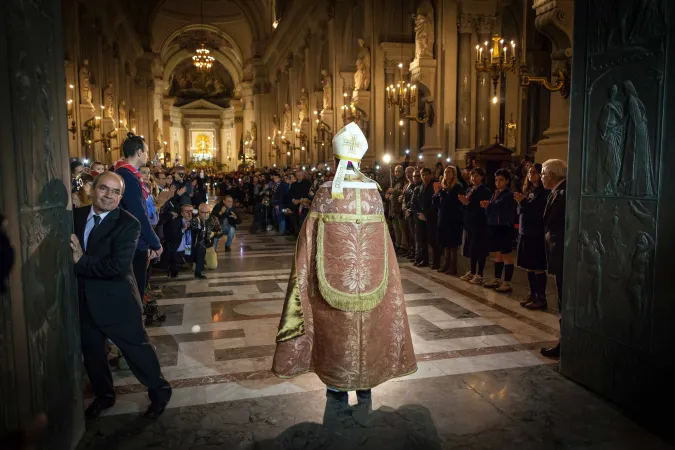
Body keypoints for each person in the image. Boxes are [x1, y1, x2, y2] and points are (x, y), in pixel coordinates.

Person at [272, 122, 417, 407]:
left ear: (335, 158)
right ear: (359, 159)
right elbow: (384, 242)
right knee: (367, 334)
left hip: (333, 285)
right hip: (373, 283)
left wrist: (305, 276)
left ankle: (337, 390)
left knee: (338, 335)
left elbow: (308, 240)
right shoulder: (374, 191)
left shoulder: (327, 192)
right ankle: (365, 390)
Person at [70, 172, 171, 419]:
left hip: (118, 303)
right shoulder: (75, 217)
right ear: (93, 189)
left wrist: (81, 261)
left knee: (138, 353)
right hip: (85, 302)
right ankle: (105, 397)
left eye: (116, 192)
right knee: (94, 357)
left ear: (121, 196)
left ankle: (160, 393)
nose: (109, 196)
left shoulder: (129, 224)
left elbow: (116, 268)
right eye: (104, 189)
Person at [115, 133, 165, 326]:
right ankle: (133, 331)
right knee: (135, 291)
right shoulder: (128, 177)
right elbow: (139, 215)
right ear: (138, 152)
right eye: (146, 151)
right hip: (134, 243)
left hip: (132, 239)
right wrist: (154, 242)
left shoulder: (122, 173)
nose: (148, 155)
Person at [540, 159, 567, 358]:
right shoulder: (556, 192)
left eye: (542, 173)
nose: (541, 177)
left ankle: (565, 343)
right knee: (561, 297)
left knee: (564, 299)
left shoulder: (563, 194)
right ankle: (564, 341)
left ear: (551, 175)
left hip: (564, 253)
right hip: (557, 252)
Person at [515, 164, 550, 310]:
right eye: (530, 173)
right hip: (525, 231)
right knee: (529, 265)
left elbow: (535, 211)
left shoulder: (543, 192)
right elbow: (521, 211)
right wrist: (521, 202)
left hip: (536, 232)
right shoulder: (529, 190)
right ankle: (532, 294)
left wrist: (522, 201)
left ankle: (541, 298)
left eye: (535, 172)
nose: (531, 175)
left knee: (537, 266)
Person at [481, 169, 517, 292]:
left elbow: (500, 207)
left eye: (501, 180)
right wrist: (487, 206)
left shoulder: (509, 194)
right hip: (494, 225)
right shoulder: (495, 193)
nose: (498, 182)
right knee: (497, 253)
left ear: (507, 181)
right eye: (496, 180)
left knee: (506, 253)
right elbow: (491, 208)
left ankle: (507, 282)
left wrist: (489, 205)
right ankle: (497, 278)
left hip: (504, 226)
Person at [459, 167, 492, 284]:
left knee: (480, 249)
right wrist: (464, 204)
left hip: (480, 223)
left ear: (482, 177)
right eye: (472, 176)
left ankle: (480, 274)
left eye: (477, 176)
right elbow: (465, 206)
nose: (474, 178)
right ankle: (472, 271)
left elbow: (483, 208)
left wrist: (468, 203)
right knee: (471, 248)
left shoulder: (485, 191)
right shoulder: (469, 189)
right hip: (469, 222)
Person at [432, 166, 464, 275]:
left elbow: (452, 202)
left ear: (454, 174)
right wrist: (436, 193)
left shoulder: (457, 187)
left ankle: (453, 267)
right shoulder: (443, 187)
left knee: (453, 245)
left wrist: (442, 192)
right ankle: (445, 265)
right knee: (445, 244)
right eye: (445, 172)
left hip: (453, 219)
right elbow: (437, 203)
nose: (446, 174)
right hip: (443, 218)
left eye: (449, 172)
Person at [166, 203, 207, 278]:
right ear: (181, 213)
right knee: (174, 273)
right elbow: (172, 237)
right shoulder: (175, 222)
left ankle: (198, 272)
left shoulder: (195, 221)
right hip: (179, 250)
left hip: (190, 250)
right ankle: (173, 269)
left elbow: (200, 238)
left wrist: (198, 227)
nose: (189, 213)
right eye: (187, 211)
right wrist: (183, 229)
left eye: (191, 211)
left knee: (201, 247)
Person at [403, 168, 420, 261]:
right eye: (406, 173)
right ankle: (411, 250)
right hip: (407, 210)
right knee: (409, 233)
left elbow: (412, 200)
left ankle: (415, 253)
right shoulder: (407, 185)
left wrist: (408, 208)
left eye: (410, 172)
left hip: (413, 212)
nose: (408, 174)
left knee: (415, 234)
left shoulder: (415, 186)